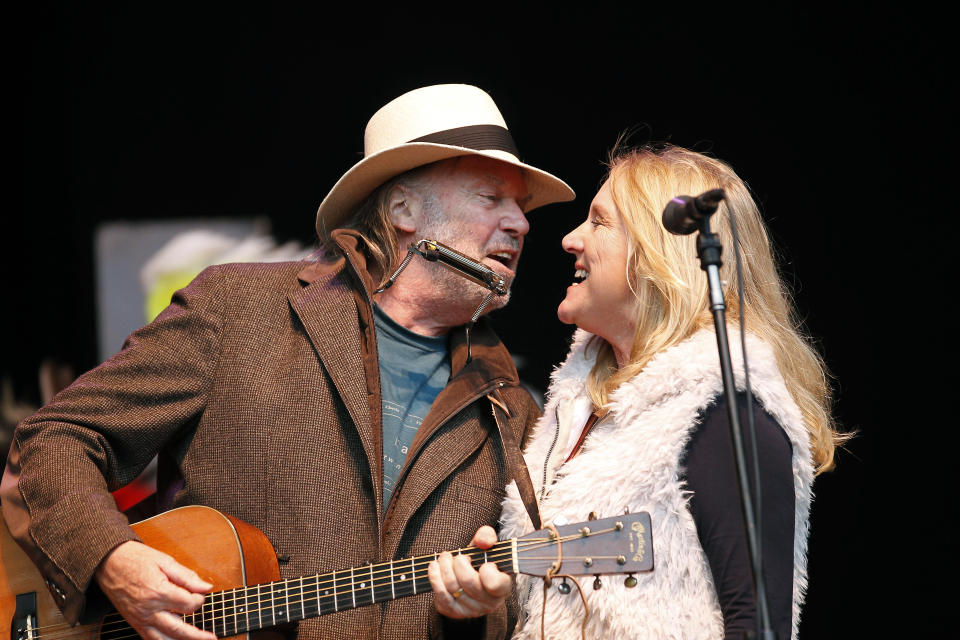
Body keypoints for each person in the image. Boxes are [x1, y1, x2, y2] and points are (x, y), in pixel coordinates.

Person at [1, 84, 574, 639]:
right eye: (490, 197)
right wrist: (113, 558)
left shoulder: (511, 411)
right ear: (404, 208)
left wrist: (477, 612)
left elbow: (510, 602)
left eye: (521, 207)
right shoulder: (241, 309)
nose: (520, 224)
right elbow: (54, 440)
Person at [494, 144, 847, 639]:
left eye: (598, 222)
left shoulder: (723, 407)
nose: (569, 239)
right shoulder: (574, 411)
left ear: (659, 254)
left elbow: (758, 625)